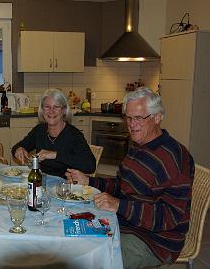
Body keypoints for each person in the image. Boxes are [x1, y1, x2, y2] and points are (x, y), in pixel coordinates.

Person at [66, 87, 194, 269]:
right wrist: (89, 181)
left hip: (155, 241)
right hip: (124, 223)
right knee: (73, 239)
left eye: (139, 118)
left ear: (157, 117)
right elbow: (121, 186)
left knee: (94, 262)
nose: (132, 124)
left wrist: (120, 205)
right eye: (128, 117)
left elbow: (168, 216)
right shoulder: (137, 147)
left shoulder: (175, 157)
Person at [12, 88, 95, 178]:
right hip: (42, 183)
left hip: (66, 186)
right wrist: (19, 149)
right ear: (42, 110)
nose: (51, 111)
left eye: (56, 107)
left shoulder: (74, 135)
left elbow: (90, 166)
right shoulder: (39, 130)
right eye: (47, 107)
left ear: (64, 110)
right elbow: (16, 148)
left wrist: (55, 155)